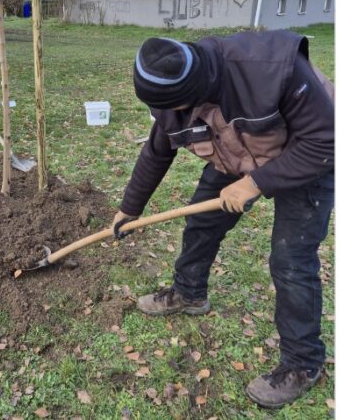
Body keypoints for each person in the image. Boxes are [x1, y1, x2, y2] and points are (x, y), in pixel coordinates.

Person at [110, 32, 333, 409]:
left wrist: (257, 182)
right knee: (202, 225)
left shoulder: (269, 68)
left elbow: (327, 140)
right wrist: (130, 207)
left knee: (290, 260)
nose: (168, 115)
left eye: (174, 106)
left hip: (308, 151)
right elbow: (157, 150)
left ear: (193, 89)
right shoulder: (171, 98)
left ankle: (303, 364)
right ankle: (189, 292)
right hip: (236, 151)